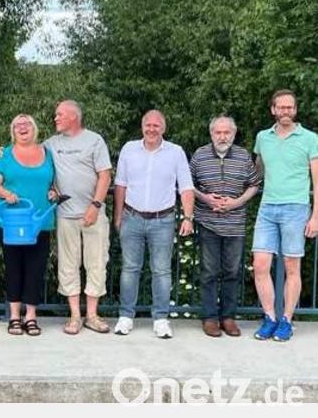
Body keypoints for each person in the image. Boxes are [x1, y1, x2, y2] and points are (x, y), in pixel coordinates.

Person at [113, 110, 194, 339]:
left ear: (163, 128)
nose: (151, 129)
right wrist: (118, 216)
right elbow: (120, 185)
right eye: (148, 125)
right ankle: (125, 316)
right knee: (130, 269)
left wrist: (188, 217)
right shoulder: (129, 149)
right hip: (132, 216)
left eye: (156, 125)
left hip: (163, 219)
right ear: (142, 127)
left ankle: (160, 318)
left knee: (161, 271)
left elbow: (186, 187)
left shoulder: (175, 152)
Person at [251, 89, 318, 342]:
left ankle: (286, 321)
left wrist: (315, 216)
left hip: (296, 208)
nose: (286, 111)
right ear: (273, 110)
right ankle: (269, 317)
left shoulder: (310, 138)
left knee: (292, 267)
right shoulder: (262, 137)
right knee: (260, 265)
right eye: (281, 107)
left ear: (295, 110)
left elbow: (317, 180)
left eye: (290, 107)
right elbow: (258, 170)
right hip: (267, 207)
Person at [45, 100, 112, 335]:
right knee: (68, 265)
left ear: (74, 116)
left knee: (96, 263)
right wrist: (1, 152)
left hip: (93, 213)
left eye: (59, 114)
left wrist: (95, 205)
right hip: (65, 215)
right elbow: (30, 158)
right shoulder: (51, 144)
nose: (56, 118)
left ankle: (92, 315)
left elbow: (105, 175)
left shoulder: (94, 140)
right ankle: (75, 316)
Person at [190, 114, 260, 337]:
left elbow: (254, 185)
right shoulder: (199, 155)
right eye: (218, 132)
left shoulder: (242, 156)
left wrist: (236, 203)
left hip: (235, 224)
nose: (222, 136)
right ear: (211, 134)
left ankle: (228, 317)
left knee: (231, 272)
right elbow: (186, 184)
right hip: (208, 222)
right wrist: (205, 198)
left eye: (226, 132)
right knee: (209, 272)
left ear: (233, 133)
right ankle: (210, 318)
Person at [0, 114, 55, 337]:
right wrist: (6, 194)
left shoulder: (48, 153)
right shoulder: (4, 154)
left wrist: (54, 192)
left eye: (26, 124)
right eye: (17, 125)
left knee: (36, 269)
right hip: (12, 222)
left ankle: (31, 317)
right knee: (14, 267)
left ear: (34, 128)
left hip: (40, 222)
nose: (22, 127)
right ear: (12, 131)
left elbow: (52, 182)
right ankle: (15, 316)